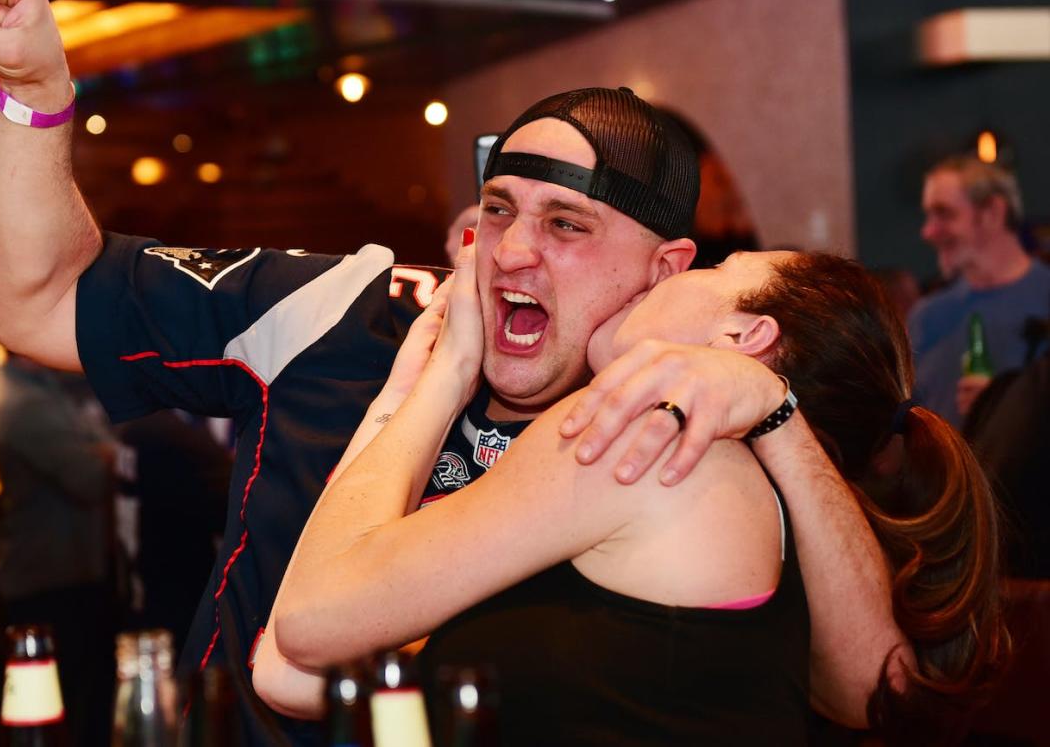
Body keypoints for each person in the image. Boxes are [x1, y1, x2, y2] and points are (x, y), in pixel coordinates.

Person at [0, 0, 905, 744]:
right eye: (497, 210)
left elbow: (865, 687)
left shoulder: (680, 426)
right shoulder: (344, 307)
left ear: (667, 272)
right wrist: (35, 98)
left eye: (566, 224)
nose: (511, 252)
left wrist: (772, 409)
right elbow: (34, 299)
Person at [270, 248, 1008, 744]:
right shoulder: (746, 485)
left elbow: (308, 620)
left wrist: (439, 377)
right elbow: (295, 672)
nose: (658, 283)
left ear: (745, 333)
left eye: (716, 266)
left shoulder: (648, 439)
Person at [0, 355, 119, 746]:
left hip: (55, 570)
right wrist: (106, 452)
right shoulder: (25, 402)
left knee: (74, 706)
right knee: (60, 717)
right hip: (48, 577)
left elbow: (104, 447)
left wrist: (103, 450)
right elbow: (92, 477)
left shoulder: (38, 387)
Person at [910, 155, 1050, 427]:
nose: (928, 231)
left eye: (944, 213)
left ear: (992, 213)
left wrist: (1003, 406)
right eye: (929, 215)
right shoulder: (926, 316)